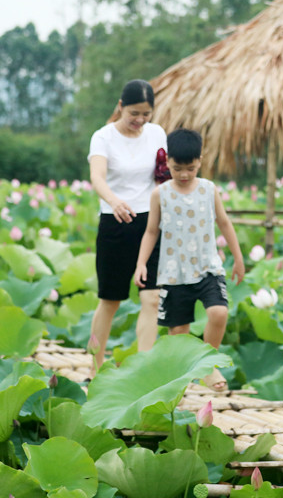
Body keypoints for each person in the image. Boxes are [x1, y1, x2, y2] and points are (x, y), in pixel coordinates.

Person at [134, 128, 245, 392]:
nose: (184, 175)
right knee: (178, 332)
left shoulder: (209, 189)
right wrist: (141, 263)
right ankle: (180, 384)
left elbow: (225, 223)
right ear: (168, 163)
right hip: (174, 273)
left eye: (191, 168)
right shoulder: (160, 194)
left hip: (208, 267)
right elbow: (151, 232)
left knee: (219, 313)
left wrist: (238, 259)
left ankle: (207, 364)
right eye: (177, 168)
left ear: (200, 162)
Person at [87, 79, 167, 372]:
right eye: (134, 113)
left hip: (152, 223)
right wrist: (114, 201)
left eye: (146, 114)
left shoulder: (157, 133)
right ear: (120, 107)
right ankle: (95, 368)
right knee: (110, 300)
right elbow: (97, 177)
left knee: (152, 297)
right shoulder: (103, 137)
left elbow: (164, 174)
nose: (140, 120)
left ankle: (143, 369)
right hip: (115, 222)